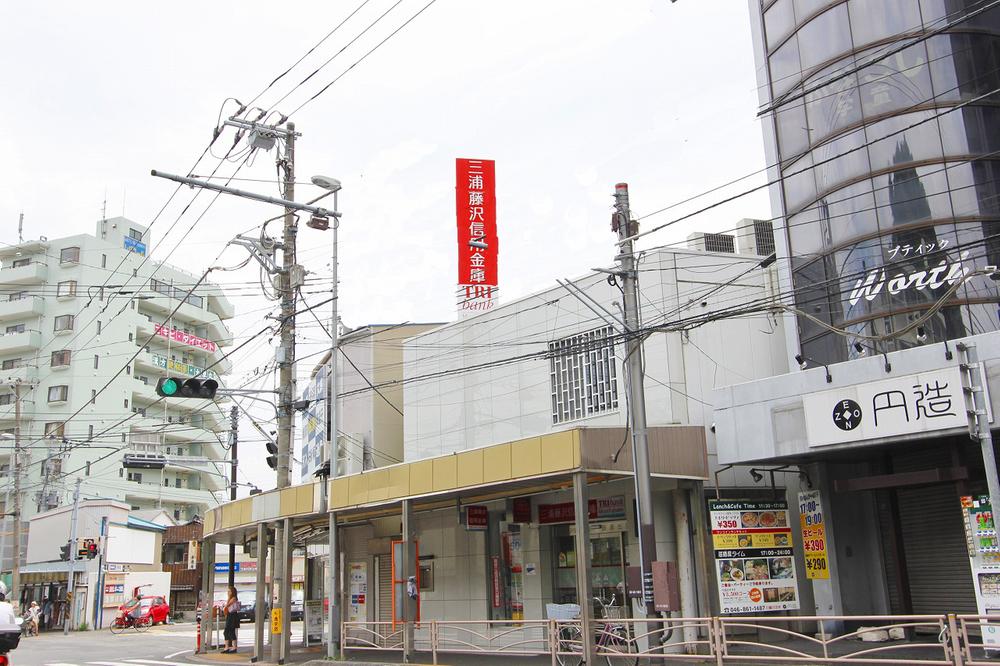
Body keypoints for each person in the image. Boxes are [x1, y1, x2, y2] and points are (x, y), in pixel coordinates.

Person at [222, 586, 240, 654]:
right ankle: (227, 647)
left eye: (229, 591)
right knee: (228, 631)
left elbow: (227, 605)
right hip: (230, 615)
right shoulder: (230, 598)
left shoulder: (234, 598)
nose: (228, 592)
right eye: (228, 591)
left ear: (233, 592)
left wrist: (226, 604)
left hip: (232, 616)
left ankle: (233, 647)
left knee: (229, 631)